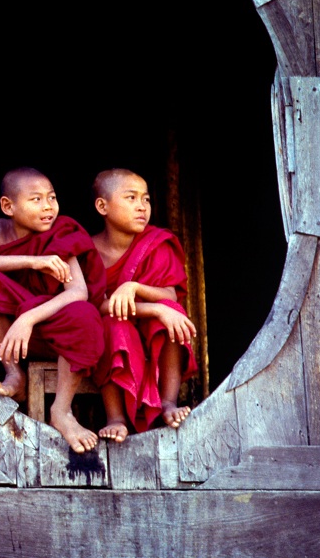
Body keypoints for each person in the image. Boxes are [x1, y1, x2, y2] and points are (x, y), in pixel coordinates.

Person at [0, 167, 106, 453]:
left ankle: (61, 411)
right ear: (7, 206)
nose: (48, 206)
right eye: (36, 199)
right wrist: (33, 261)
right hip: (15, 337)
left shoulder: (61, 232)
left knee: (85, 314)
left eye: (52, 197)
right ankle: (14, 373)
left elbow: (78, 292)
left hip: (55, 332)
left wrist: (28, 317)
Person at [90, 168, 197, 442]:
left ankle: (168, 402)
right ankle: (115, 417)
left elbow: (170, 295)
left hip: (150, 329)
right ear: (102, 206)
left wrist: (134, 288)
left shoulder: (156, 243)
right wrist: (155, 308)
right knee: (112, 323)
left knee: (173, 313)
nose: (142, 207)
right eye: (131, 198)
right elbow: (96, 306)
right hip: (111, 327)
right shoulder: (88, 251)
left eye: (146, 199)